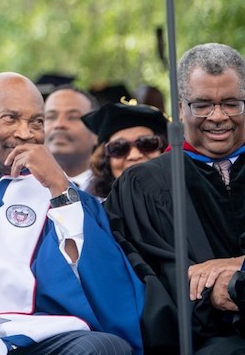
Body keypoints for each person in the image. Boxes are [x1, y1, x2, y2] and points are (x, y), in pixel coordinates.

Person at [0, 72, 143, 354]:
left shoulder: (58, 192)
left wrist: (59, 187)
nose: (26, 133)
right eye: (10, 118)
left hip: (31, 339)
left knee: (100, 348)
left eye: (37, 122)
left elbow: (95, 278)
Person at [105, 43, 245, 354]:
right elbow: (150, 276)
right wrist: (213, 290)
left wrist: (240, 266)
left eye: (231, 103)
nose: (218, 116)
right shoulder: (143, 185)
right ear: (180, 108)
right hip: (203, 342)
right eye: (203, 105)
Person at [81, 101, 169, 200]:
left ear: (163, 149)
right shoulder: (94, 211)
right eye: (118, 148)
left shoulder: (184, 200)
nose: (134, 155)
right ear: (105, 160)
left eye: (147, 143)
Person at [44, 87, 99, 191]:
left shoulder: (114, 192)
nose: (59, 124)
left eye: (73, 117)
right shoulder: (19, 189)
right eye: (51, 117)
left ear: (96, 132)